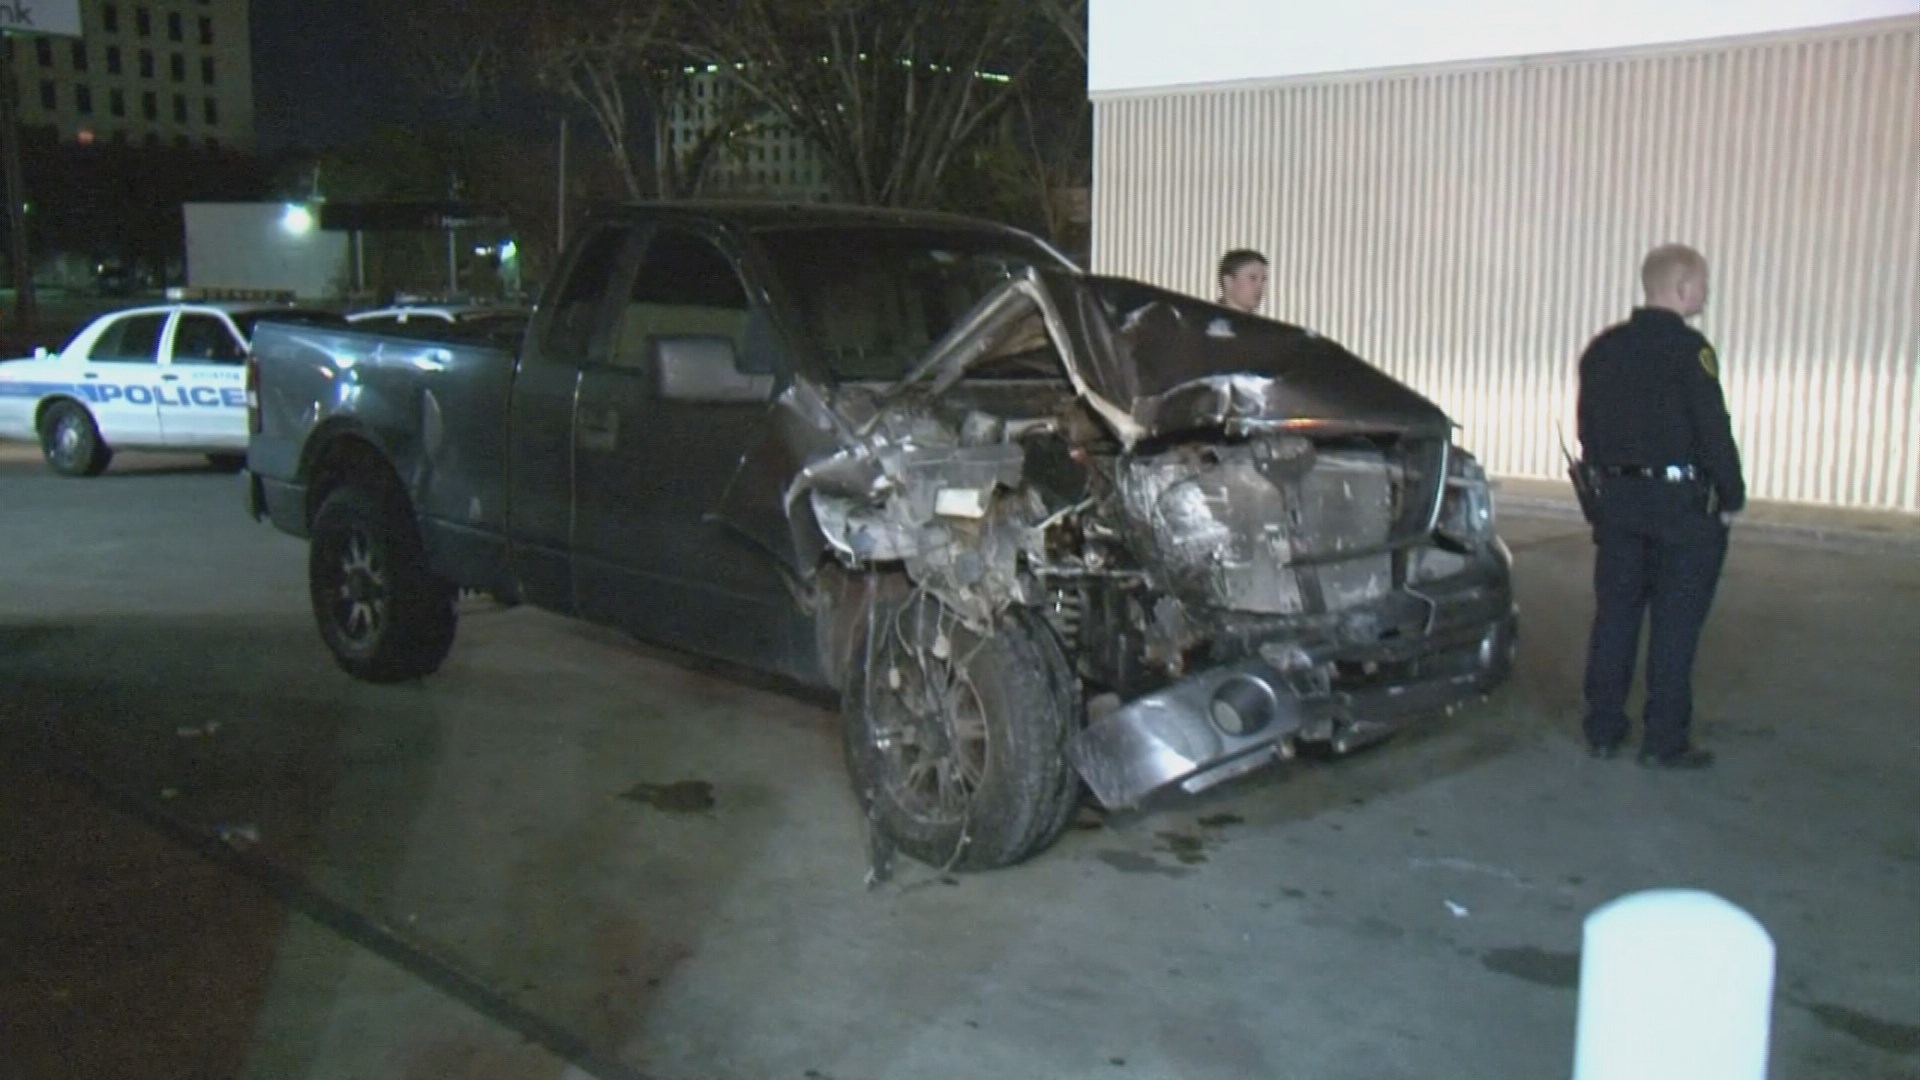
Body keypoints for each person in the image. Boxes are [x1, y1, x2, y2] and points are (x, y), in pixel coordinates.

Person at [1574, 242, 1745, 769]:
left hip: (1620, 505)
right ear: (1682, 286)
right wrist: (1732, 493)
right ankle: (1663, 740)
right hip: (1682, 511)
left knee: (1616, 618)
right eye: (1703, 283)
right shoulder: (1691, 352)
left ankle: (1603, 729)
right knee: (1675, 627)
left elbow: (1589, 430)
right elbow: (1713, 429)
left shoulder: (1601, 350)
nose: (1707, 292)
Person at [1217, 249, 1268, 313]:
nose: (1260, 286)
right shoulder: (1204, 320)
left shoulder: (1262, 323)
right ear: (1228, 281)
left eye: (1263, 280)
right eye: (1252, 278)